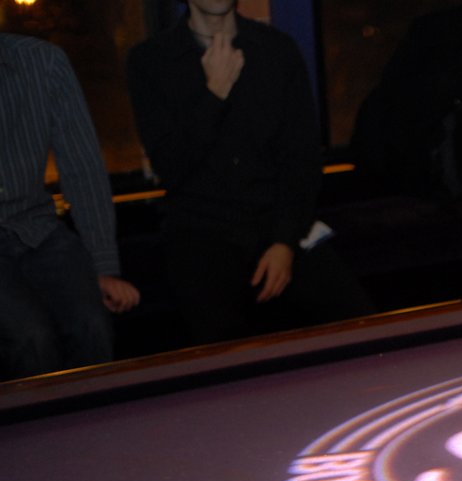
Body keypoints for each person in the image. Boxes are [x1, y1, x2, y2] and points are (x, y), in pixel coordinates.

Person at [126, 0, 373, 346]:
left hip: (275, 223)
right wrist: (213, 93)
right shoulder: (151, 60)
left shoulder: (276, 49)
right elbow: (171, 167)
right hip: (202, 233)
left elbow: (301, 160)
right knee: (221, 345)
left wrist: (284, 241)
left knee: (362, 327)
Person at [0, 33, 140, 381]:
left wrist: (104, 266)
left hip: (38, 228)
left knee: (91, 325)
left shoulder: (43, 62)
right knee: (30, 338)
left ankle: (98, 414)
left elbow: (83, 167)